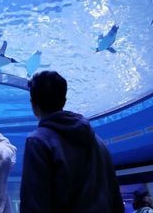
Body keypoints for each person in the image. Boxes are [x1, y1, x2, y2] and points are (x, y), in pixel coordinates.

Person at [20, 71, 124, 213]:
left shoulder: (38, 141)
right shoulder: (98, 142)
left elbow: (34, 204)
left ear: (33, 103)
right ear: (64, 100)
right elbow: (115, 195)